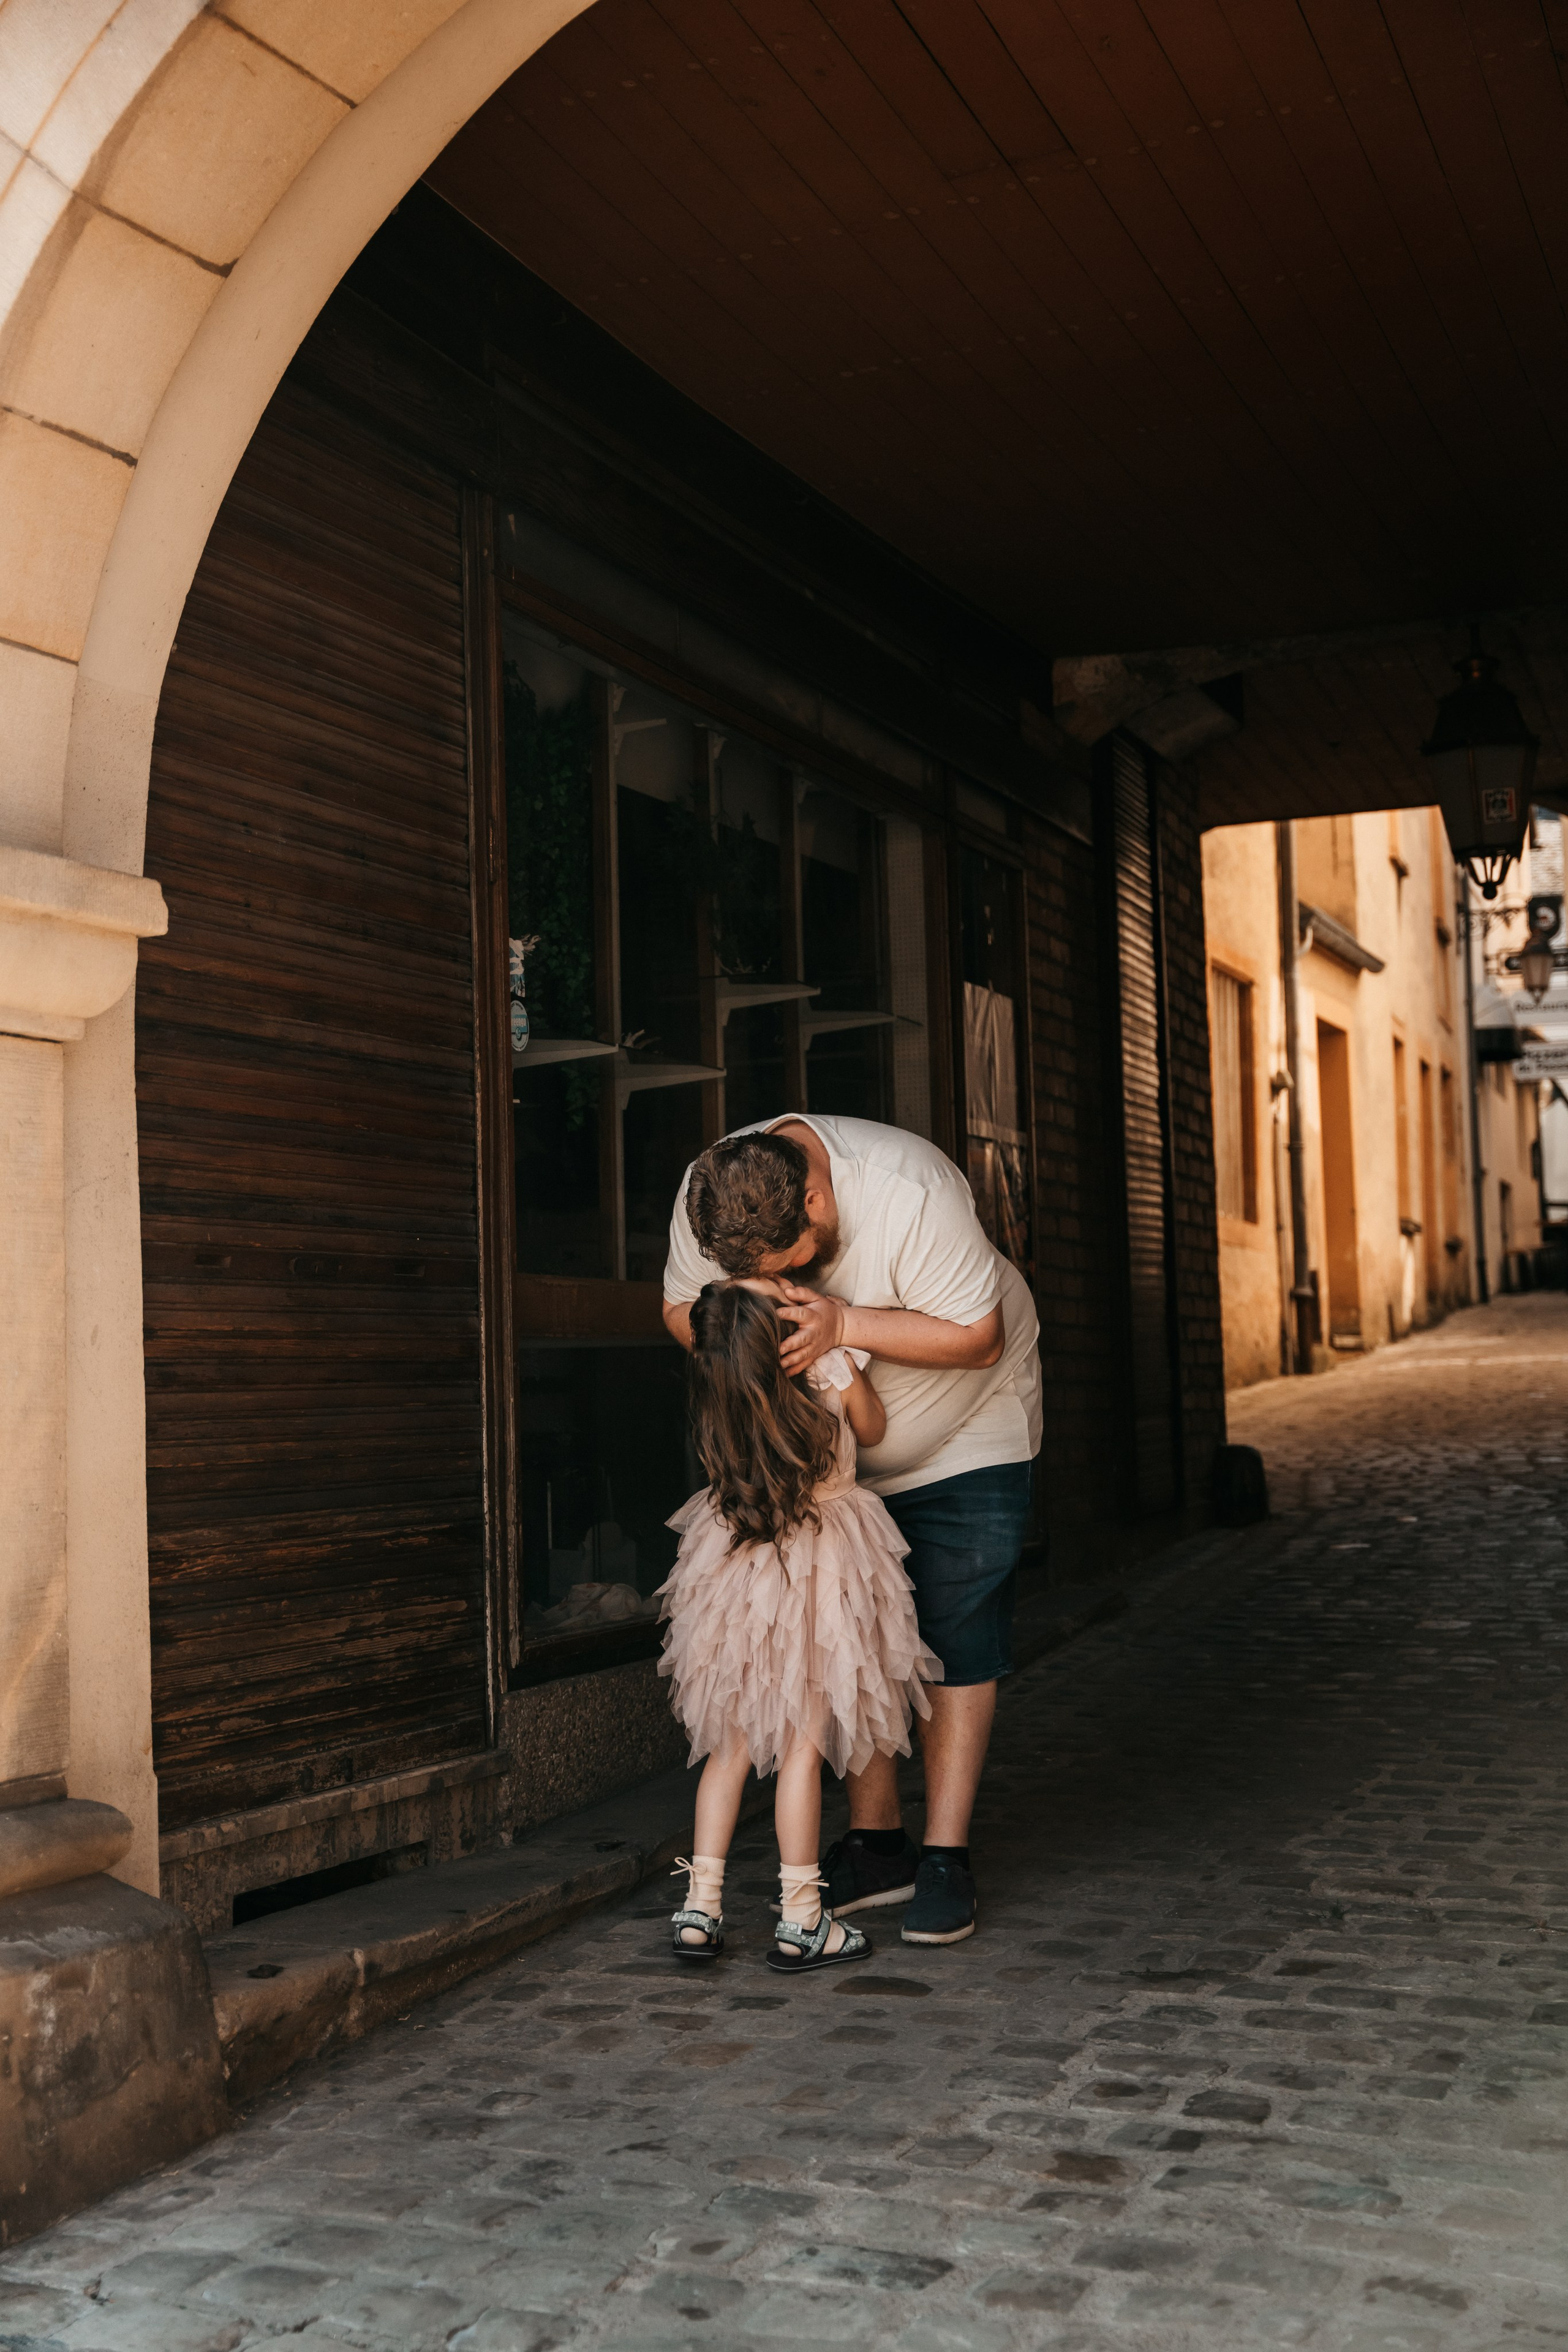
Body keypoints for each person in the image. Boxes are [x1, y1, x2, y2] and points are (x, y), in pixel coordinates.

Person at [663, 1115, 1040, 1947]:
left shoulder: (912, 1190)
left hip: (963, 1434)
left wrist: (842, 1328)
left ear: (816, 1199)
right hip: (825, 1492)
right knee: (856, 1649)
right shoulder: (716, 1197)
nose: (781, 1290)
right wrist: (754, 1361)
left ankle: (945, 1856)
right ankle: (877, 1846)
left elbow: (981, 1337)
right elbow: (680, 1313)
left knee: (957, 1627)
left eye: (790, 1269)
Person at [657, 1278, 941, 1973]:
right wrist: (841, 1359)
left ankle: (700, 1908)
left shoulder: (721, 1395)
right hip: (823, 1575)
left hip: (735, 1574)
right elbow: (871, 1430)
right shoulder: (822, 1368)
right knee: (804, 1746)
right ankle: (802, 1918)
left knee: (728, 1745)